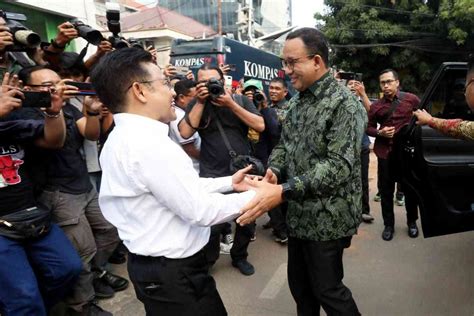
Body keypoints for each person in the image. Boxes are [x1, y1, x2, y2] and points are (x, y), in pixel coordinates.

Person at [90, 47, 274, 315]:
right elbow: (199, 210)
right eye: (164, 83)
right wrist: (263, 194)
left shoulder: (127, 137)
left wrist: (229, 183)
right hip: (173, 275)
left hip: (162, 270)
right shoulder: (147, 145)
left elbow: (179, 191)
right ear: (139, 92)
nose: (173, 92)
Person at [238, 27, 365, 316]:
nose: (286, 70)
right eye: (284, 62)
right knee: (301, 289)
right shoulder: (297, 102)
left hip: (328, 217)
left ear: (317, 61)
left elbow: (338, 166)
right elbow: (286, 145)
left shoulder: (345, 104)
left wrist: (283, 190)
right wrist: (274, 170)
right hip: (299, 215)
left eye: (292, 62)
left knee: (329, 290)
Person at [14, 65, 123, 315]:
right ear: (27, 89)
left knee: (110, 232)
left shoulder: (68, 107)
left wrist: (93, 113)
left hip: (83, 184)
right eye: (47, 86)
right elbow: (55, 141)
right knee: (81, 251)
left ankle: (94, 274)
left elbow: (90, 133)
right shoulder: (24, 114)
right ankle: (81, 305)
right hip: (58, 192)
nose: (56, 88)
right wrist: (53, 111)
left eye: (58, 82)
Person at [0, 73, 82, 316]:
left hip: (30, 214)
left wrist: (53, 113)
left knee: (68, 268)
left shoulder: (10, 126)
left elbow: (53, 141)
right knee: (23, 297)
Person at [178, 64, 265, 276]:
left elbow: (260, 125)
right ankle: (209, 260)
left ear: (223, 80)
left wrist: (230, 104)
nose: (209, 86)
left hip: (243, 169)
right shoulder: (197, 104)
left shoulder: (240, 100)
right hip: (212, 171)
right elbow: (185, 132)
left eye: (212, 81)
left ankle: (239, 256)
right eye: (203, 82)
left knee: (247, 217)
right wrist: (199, 101)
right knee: (212, 223)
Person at [366, 69, 420, 241]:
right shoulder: (376, 106)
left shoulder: (411, 99)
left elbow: (423, 117)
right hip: (385, 154)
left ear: (397, 82)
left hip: (406, 154)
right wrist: (380, 132)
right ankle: (388, 225)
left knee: (410, 190)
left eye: (389, 81)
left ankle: (412, 222)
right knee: (386, 192)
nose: (386, 85)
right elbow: (368, 127)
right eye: (383, 82)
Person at [414, 56, 474, 139]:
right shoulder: (450, 106)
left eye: (464, 88)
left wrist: (430, 120)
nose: (464, 93)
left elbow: (461, 128)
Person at [346, 79, 374, 223]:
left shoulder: (363, 102)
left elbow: (373, 113)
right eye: (350, 84)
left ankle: (364, 210)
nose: (352, 86)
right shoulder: (340, 101)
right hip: (345, 149)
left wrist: (363, 95)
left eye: (356, 84)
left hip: (362, 147)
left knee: (363, 179)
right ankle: (347, 210)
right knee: (345, 179)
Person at [168, 79, 201, 173]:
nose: (199, 100)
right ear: (182, 97)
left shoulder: (186, 113)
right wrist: (209, 160)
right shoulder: (178, 117)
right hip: (193, 169)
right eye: (195, 97)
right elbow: (189, 149)